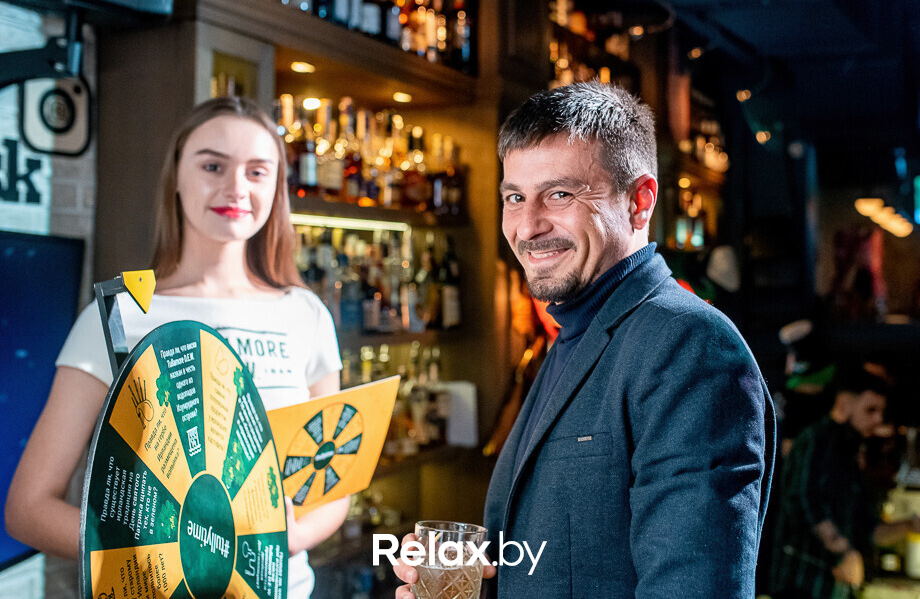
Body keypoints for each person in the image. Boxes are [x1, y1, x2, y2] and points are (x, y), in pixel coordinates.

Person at [395, 81, 775, 597]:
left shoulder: (690, 346)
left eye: (560, 194)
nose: (527, 226)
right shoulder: (577, 329)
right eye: (514, 197)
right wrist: (483, 582)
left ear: (640, 202)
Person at [5, 96, 349, 597]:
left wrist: (293, 534)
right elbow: (27, 508)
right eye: (213, 165)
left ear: (277, 189)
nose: (236, 187)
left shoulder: (306, 314)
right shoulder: (121, 315)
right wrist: (145, 547)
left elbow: (333, 484)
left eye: (258, 171)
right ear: (177, 179)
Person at [771, 365, 920, 599]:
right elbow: (806, 499)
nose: (878, 419)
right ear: (844, 404)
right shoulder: (815, 440)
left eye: (881, 411)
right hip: (802, 588)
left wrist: (910, 526)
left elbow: (868, 528)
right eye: (870, 410)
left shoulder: (850, 456)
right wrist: (845, 551)